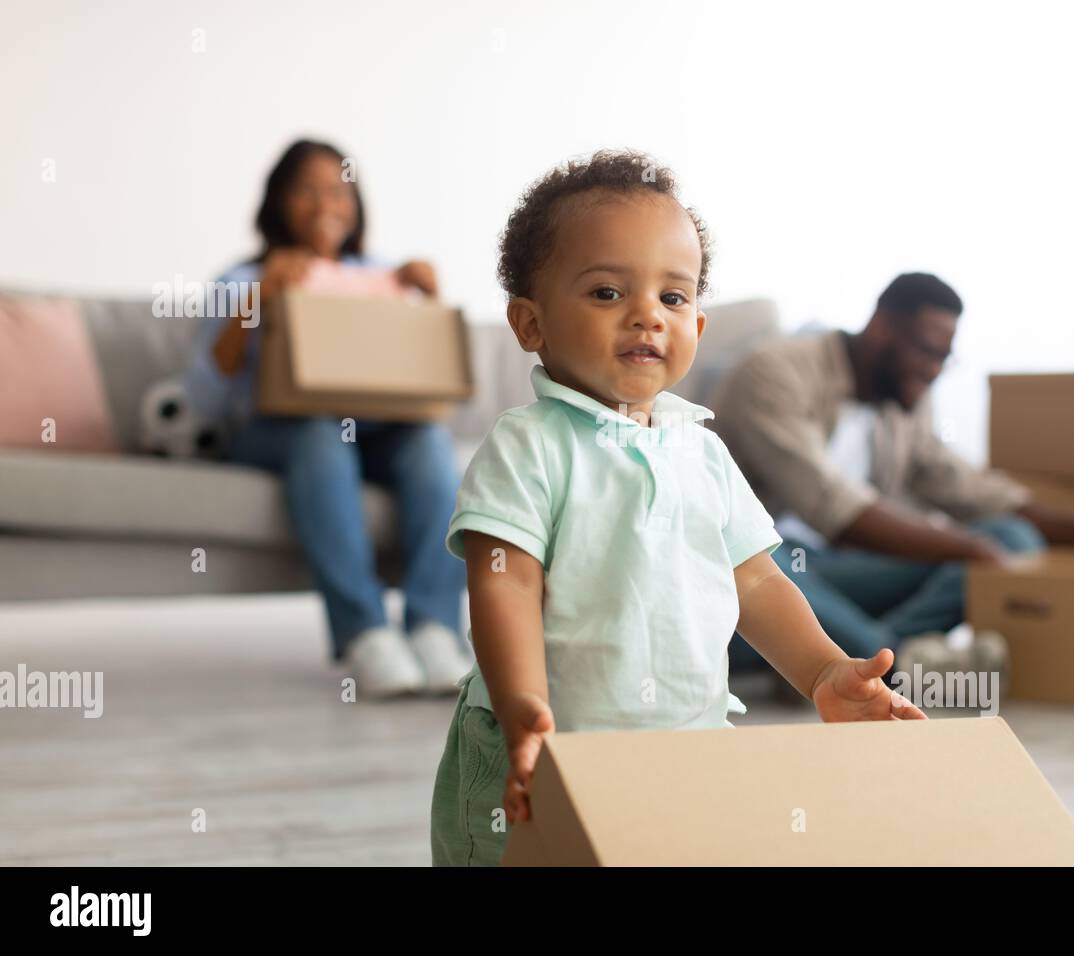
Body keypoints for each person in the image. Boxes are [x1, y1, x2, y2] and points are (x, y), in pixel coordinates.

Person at [429, 150, 926, 867]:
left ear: (697, 321)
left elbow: (755, 582)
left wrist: (821, 671)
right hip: (543, 751)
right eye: (606, 293)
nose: (646, 317)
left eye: (674, 297)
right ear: (530, 323)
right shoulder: (529, 446)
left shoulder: (702, 450)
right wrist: (521, 708)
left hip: (684, 749)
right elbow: (504, 578)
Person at [710, 272, 1074, 678]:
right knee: (763, 566)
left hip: (851, 574)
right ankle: (893, 663)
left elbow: (969, 489)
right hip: (775, 568)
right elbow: (839, 512)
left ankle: (845, 659)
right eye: (927, 352)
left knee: (1013, 538)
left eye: (944, 358)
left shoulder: (905, 396)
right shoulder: (775, 373)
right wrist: (968, 548)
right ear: (882, 328)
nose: (933, 372)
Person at [184, 139, 473, 699]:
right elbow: (204, 397)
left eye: (338, 191)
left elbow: (418, 376)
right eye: (306, 191)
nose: (325, 205)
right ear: (278, 202)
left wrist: (428, 299)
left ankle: (435, 626)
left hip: (375, 429)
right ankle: (365, 632)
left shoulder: (382, 275)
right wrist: (256, 301)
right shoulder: (245, 277)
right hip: (277, 431)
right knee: (320, 435)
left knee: (429, 442)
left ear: (356, 203)